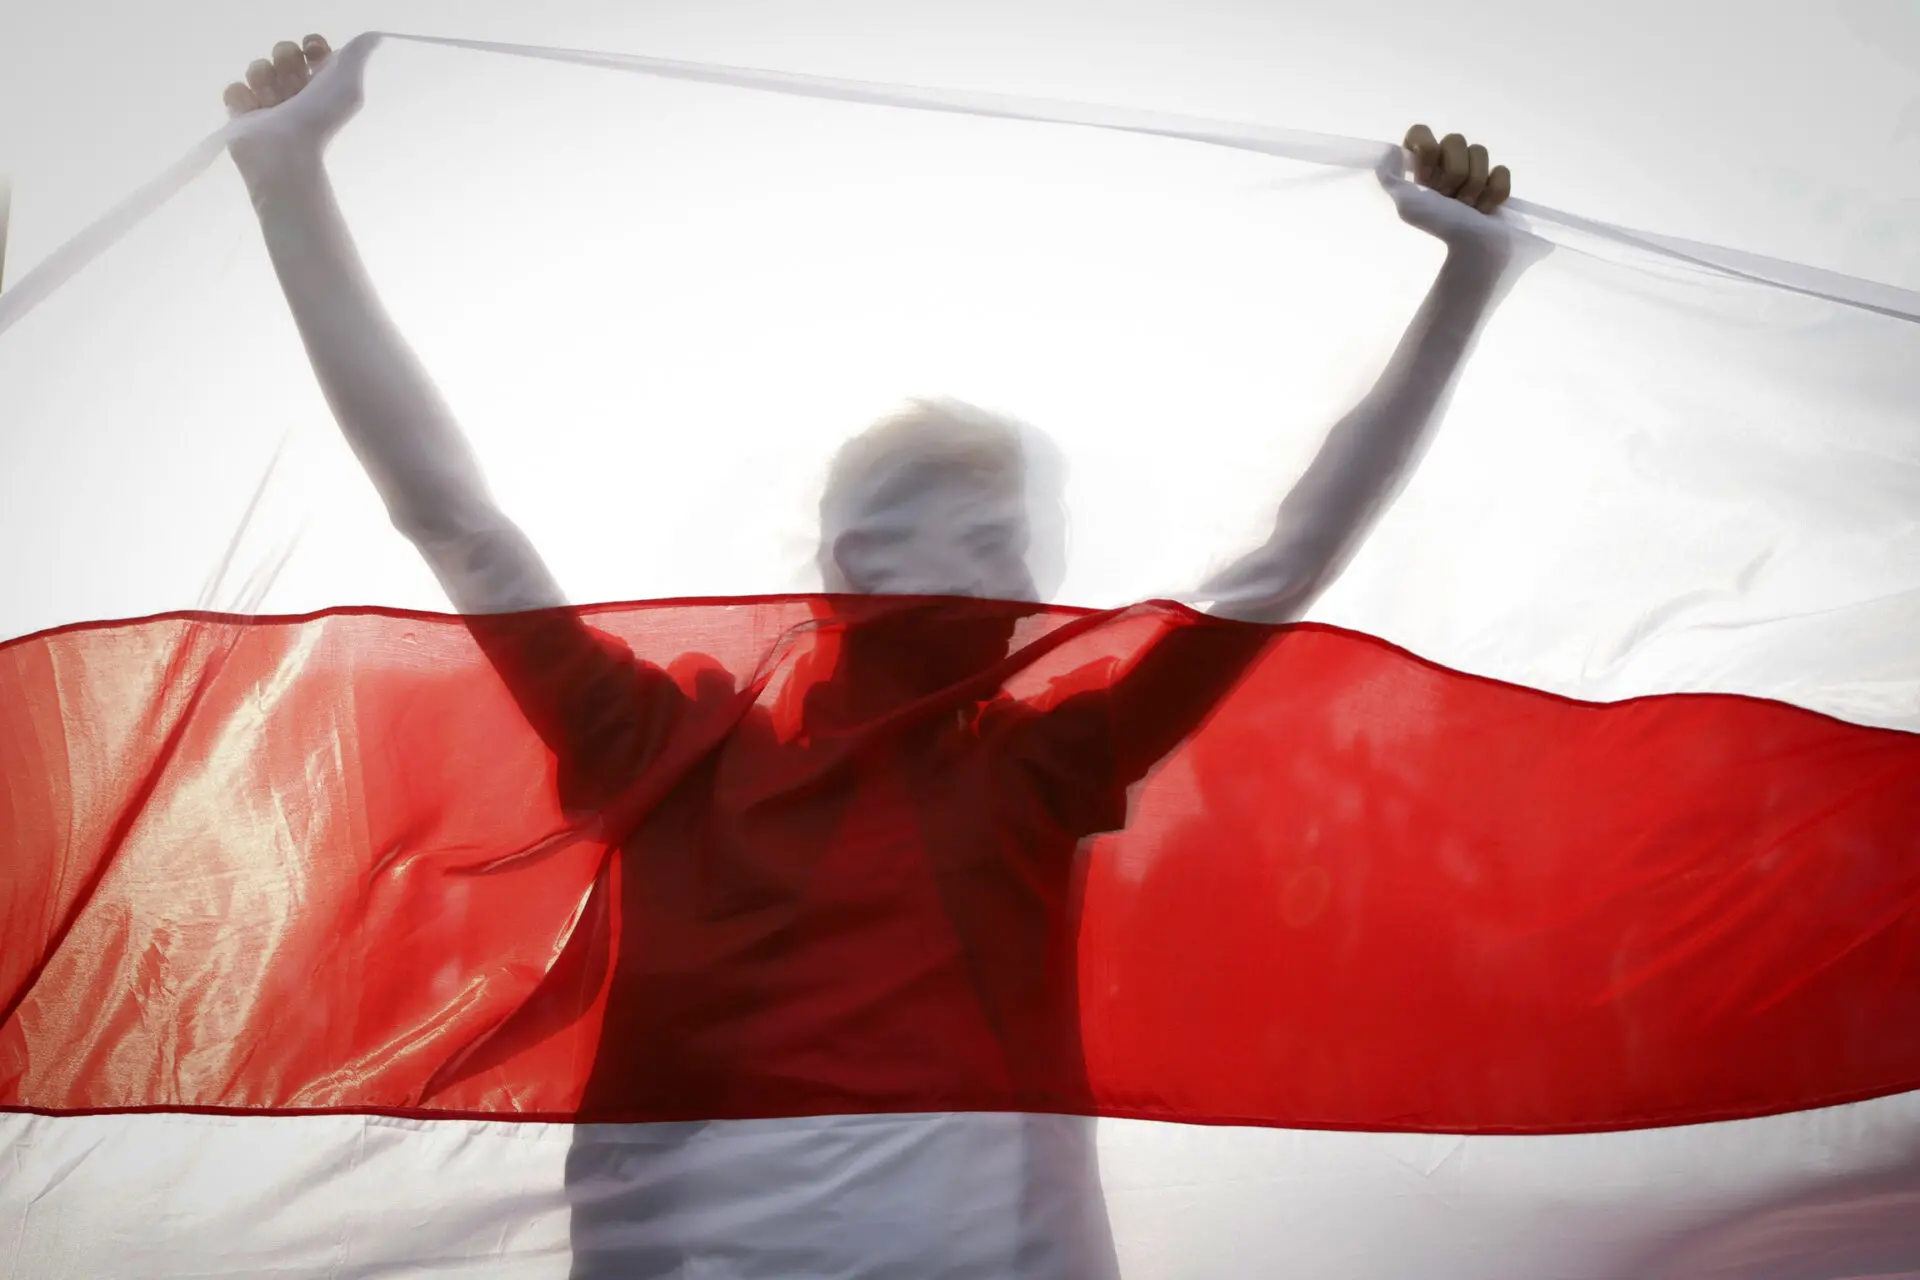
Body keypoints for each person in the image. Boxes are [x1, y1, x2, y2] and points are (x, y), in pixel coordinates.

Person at [225, 33, 1528, 1278]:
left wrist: (1464, 286)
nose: (998, 565)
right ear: (845, 567)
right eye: (945, 529)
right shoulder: (663, 749)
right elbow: (456, 522)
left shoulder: (1046, 764)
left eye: (1011, 536)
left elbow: (1284, 564)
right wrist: (287, 182)